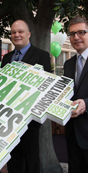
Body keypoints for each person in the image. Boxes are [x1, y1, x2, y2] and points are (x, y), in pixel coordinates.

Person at [1, 20, 51, 173]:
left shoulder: (42, 56)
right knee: (14, 160)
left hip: (30, 121)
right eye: (14, 32)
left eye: (20, 31)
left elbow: (46, 86)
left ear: (28, 34)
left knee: (31, 162)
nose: (17, 35)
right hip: (9, 121)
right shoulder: (6, 58)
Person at [64, 15, 88, 173]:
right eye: (72, 34)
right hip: (72, 133)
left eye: (81, 32)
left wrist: (86, 103)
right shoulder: (68, 64)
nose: (76, 37)